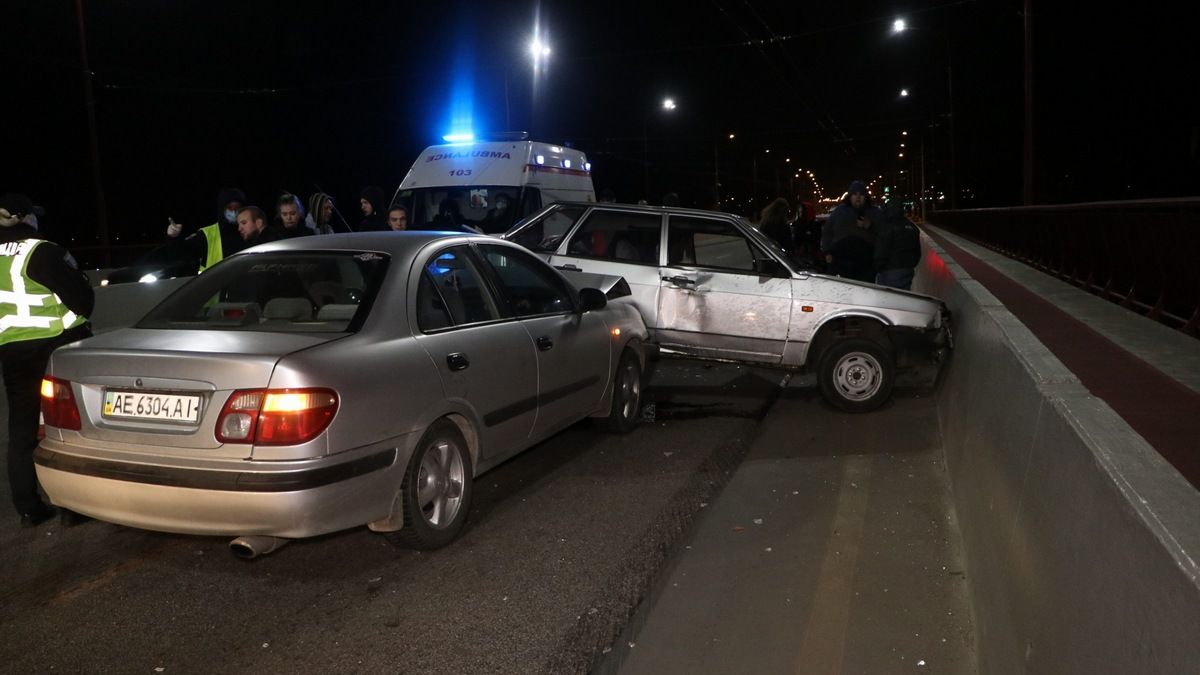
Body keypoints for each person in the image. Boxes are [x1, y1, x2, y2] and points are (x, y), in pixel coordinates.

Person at [0, 194, 94, 527]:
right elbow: (83, 301)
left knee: (22, 431)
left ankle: (28, 508)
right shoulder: (41, 251)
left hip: (13, 352)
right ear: (25, 218)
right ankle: (75, 507)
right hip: (59, 349)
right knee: (69, 426)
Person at [163, 186, 247, 273]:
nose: (234, 212)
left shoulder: (251, 231)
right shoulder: (207, 234)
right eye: (229, 207)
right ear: (221, 209)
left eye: (238, 208)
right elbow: (180, 256)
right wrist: (173, 238)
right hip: (215, 285)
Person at [821, 180, 880, 283]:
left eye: (861, 194)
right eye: (854, 194)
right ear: (849, 196)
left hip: (866, 265)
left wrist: (870, 225)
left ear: (865, 196)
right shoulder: (839, 211)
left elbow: (884, 233)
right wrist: (827, 252)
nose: (858, 197)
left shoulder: (874, 212)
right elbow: (827, 232)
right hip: (841, 263)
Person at [873, 201, 922, 289]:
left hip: (890, 271)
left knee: (889, 298)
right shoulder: (912, 227)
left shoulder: (887, 227)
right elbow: (917, 252)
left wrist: (878, 267)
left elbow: (881, 251)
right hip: (908, 270)